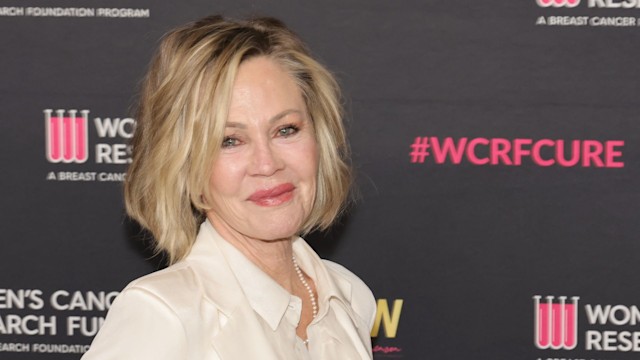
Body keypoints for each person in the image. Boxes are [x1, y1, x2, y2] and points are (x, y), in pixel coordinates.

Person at [81, 15, 376, 360]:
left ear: (319, 138)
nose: (267, 164)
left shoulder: (349, 295)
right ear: (186, 165)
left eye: (285, 130)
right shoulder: (167, 314)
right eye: (230, 141)